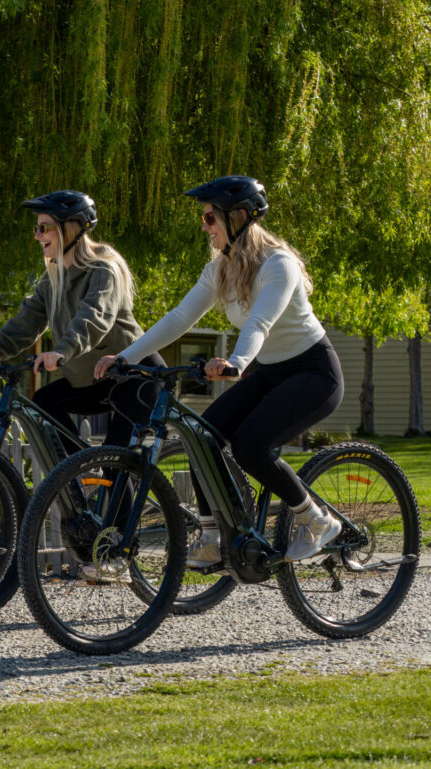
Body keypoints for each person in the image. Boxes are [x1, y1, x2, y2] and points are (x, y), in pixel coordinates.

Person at [95, 176, 345, 564]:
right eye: (204, 216)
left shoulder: (278, 264)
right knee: (202, 436)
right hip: (269, 372)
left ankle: (315, 520)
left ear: (240, 217)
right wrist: (126, 357)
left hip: (313, 373)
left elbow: (259, 323)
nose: (204, 224)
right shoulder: (220, 269)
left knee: (250, 447)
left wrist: (236, 363)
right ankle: (213, 533)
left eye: (210, 217)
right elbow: (179, 318)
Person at [0, 190, 164, 458]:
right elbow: (24, 324)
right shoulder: (53, 277)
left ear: (71, 228)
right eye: (36, 228)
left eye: (44, 228)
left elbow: (93, 317)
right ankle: (80, 468)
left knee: (115, 461)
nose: (37, 235)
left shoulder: (104, 269)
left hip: (135, 374)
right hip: (95, 379)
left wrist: (62, 350)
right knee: (42, 404)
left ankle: (97, 470)